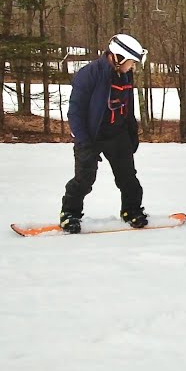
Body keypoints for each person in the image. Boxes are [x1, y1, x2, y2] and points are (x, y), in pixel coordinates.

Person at [59, 33, 149, 233]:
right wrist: (83, 141)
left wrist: (131, 133)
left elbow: (127, 106)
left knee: (128, 177)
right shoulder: (89, 74)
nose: (133, 67)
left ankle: (131, 211)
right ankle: (69, 213)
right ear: (117, 57)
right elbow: (75, 111)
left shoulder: (125, 74)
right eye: (131, 62)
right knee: (84, 179)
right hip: (91, 136)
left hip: (117, 134)